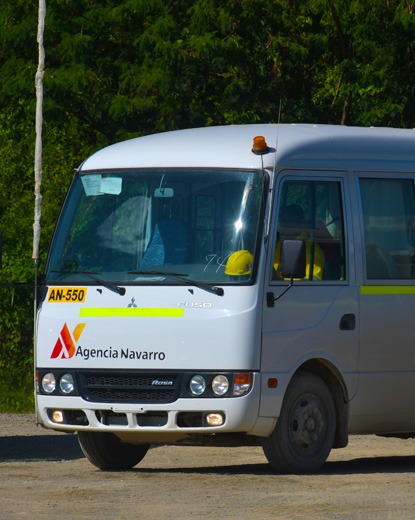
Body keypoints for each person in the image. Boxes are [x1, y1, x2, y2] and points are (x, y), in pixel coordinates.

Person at [273, 204, 325, 280]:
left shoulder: (310, 247)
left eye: (290, 220)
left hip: (292, 290)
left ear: (301, 223)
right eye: (283, 220)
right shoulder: (276, 244)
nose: (285, 224)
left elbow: (313, 280)